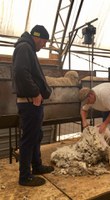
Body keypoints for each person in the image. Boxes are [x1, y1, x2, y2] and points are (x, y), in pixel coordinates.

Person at [12, 25, 54, 187]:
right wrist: (36, 93)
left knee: (36, 136)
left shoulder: (27, 48)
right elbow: (21, 72)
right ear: (37, 37)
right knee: (28, 139)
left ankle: (36, 166)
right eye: (43, 42)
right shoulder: (24, 47)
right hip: (30, 102)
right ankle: (25, 177)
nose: (43, 45)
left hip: (33, 102)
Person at [79, 82, 110, 155]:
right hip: (107, 104)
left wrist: (105, 123)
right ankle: (108, 150)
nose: (87, 103)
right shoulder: (90, 100)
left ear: (91, 95)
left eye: (87, 101)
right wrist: (84, 121)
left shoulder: (103, 95)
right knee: (104, 129)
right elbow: (83, 110)